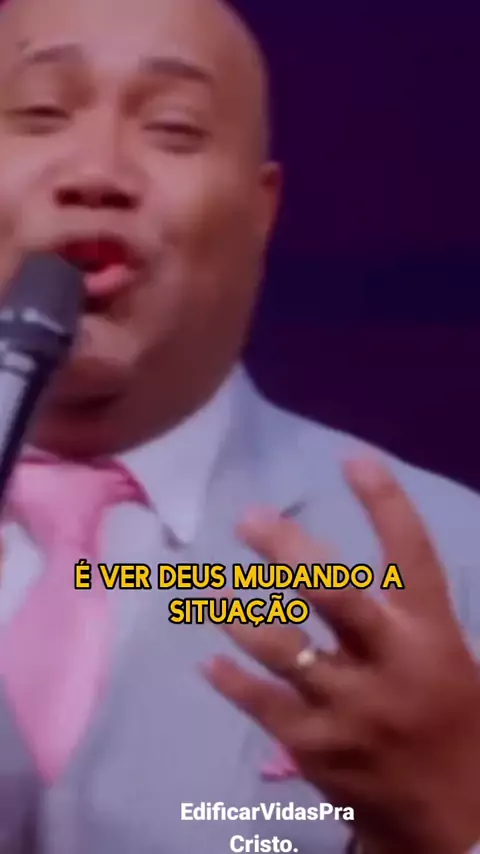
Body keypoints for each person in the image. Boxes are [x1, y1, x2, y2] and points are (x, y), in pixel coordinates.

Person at [0, 0, 478, 852]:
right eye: (41, 113)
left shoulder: (457, 569)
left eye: (174, 128)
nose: (97, 172)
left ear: (262, 212)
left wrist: (451, 826)